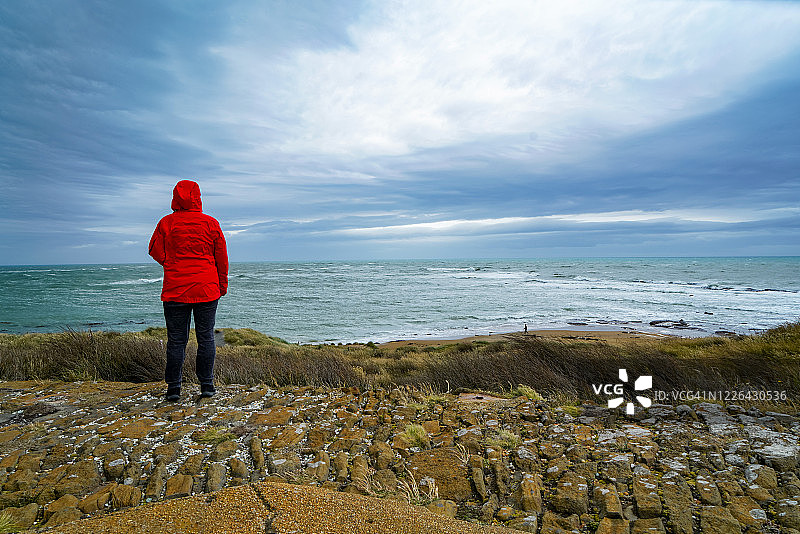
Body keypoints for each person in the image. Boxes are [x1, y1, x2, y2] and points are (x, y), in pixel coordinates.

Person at [148, 180, 228, 401]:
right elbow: (221, 257)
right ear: (198, 197)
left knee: (176, 340)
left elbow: (154, 250)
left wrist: (170, 263)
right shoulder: (210, 223)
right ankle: (207, 386)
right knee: (206, 338)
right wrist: (222, 285)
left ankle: (174, 388)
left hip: (176, 289)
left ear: (175, 197)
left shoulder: (167, 222)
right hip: (206, 288)